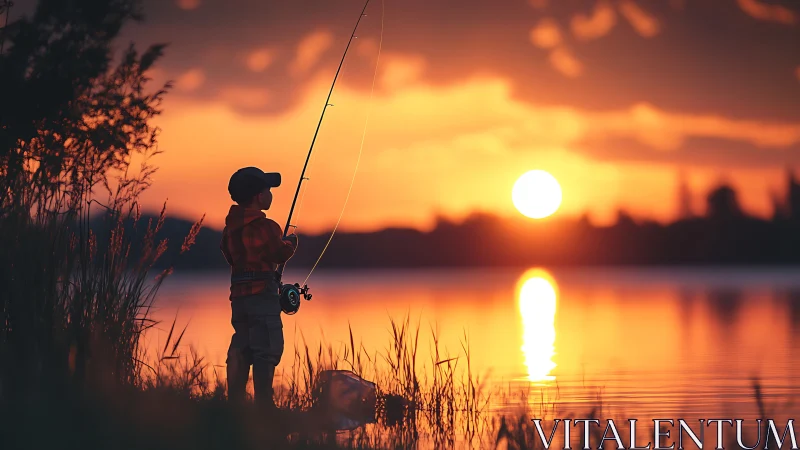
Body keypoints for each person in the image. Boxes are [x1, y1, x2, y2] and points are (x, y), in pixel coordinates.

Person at [221, 166, 299, 412]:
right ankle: (265, 406)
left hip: (239, 300)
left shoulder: (229, 229)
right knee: (266, 348)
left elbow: (229, 256)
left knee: (242, 346)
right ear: (259, 196)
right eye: (268, 190)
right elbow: (279, 253)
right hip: (263, 296)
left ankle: (234, 404)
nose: (271, 194)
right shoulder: (267, 227)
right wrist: (291, 244)